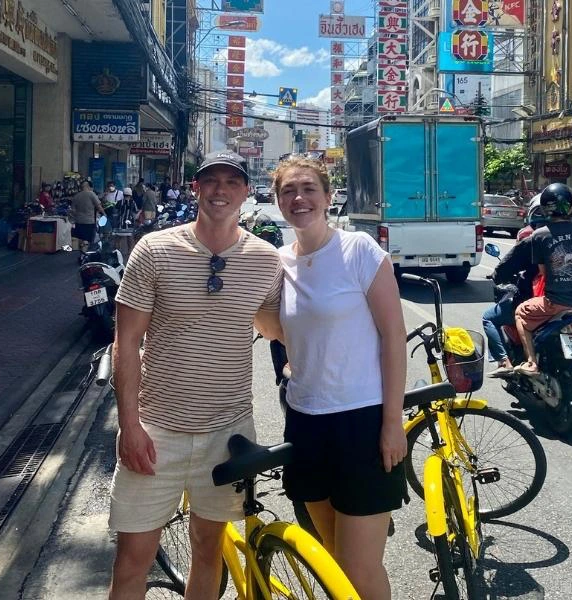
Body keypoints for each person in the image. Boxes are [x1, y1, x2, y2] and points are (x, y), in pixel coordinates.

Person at [107, 150, 282, 600]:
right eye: (211, 181)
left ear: (246, 192)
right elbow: (126, 342)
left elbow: (276, 326)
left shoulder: (266, 260)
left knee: (209, 551)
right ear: (196, 189)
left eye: (232, 182)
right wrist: (129, 427)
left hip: (227, 432)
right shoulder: (155, 249)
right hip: (155, 430)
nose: (220, 190)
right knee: (132, 562)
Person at [272, 156, 407, 600]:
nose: (299, 198)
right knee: (331, 559)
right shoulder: (277, 264)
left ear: (329, 198)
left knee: (359, 567)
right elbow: (279, 329)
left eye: (309, 188)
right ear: (277, 202)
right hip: (306, 421)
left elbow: (393, 338)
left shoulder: (359, 251)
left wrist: (392, 423)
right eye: (288, 190)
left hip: (363, 421)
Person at [514, 183, 572, 376]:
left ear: (545, 208)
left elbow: (543, 271)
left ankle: (531, 362)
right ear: (571, 206)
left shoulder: (539, 235)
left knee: (521, 313)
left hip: (555, 304)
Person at [482, 202, 547, 377]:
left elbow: (505, 268)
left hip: (540, 302)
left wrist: (497, 276)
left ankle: (504, 362)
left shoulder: (532, 241)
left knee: (488, 318)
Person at [70, 180, 104, 252]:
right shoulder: (91, 194)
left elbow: (72, 210)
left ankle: (82, 254)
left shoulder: (76, 196)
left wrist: (72, 220)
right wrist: (104, 214)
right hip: (89, 221)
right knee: (88, 240)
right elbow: (98, 206)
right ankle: (86, 255)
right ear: (88, 186)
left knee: (81, 239)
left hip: (78, 221)